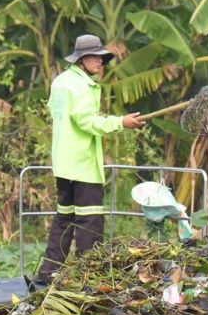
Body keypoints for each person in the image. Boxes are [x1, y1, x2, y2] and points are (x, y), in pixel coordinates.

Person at [35, 34, 145, 284]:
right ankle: (90, 277)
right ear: (82, 59)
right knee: (90, 220)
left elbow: (59, 113)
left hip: (63, 163)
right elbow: (86, 121)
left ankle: (48, 273)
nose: (101, 62)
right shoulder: (81, 86)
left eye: (102, 58)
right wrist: (121, 122)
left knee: (65, 218)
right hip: (82, 164)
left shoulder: (61, 81)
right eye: (96, 57)